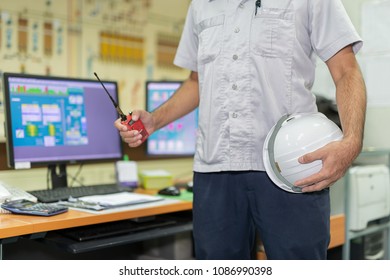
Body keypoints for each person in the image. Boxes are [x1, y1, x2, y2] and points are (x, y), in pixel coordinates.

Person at [115, 0, 366, 260]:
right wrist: (154, 120)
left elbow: (346, 70)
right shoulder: (201, 5)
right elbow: (196, 82)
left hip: (290, 166)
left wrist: (352, 141)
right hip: (215, 171)